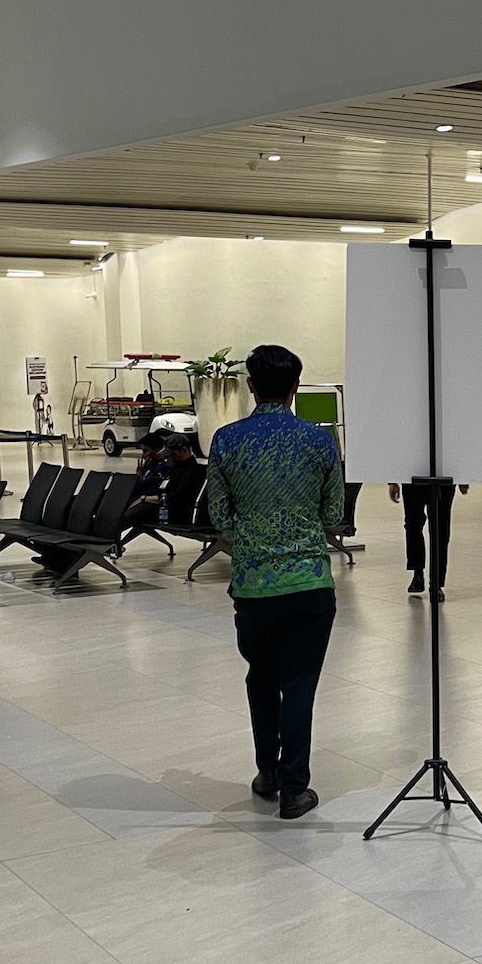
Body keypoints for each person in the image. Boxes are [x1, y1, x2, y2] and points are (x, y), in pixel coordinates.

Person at [207, 342, 343, 819]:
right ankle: (294, 789)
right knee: (300, 683)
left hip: (253, 587)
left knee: (261, 678)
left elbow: (219, 515)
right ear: (295, 386)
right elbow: (334, 514)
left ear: (249, 385)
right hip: (309, 584)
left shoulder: (225, 440)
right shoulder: (321, 441)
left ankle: (267, 771)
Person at [388, 479, 468, 600]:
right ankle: (418, 572)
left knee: (439, 528)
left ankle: (436, 582)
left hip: (442, 478)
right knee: (413, 525)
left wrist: (462, 477)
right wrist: (393, 480)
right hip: (413, 476)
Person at [161, 433, 207, 526]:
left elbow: (179, 496)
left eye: (173, 454)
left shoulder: (194, 471)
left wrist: (147, 499)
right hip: (162, 505)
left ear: (184, 450)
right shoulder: (173, 467)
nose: (171, 457)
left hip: (174, 511)